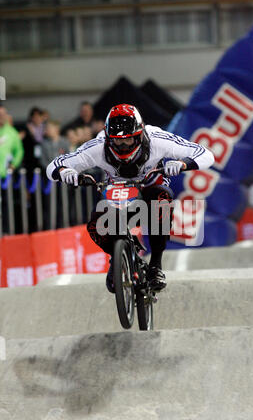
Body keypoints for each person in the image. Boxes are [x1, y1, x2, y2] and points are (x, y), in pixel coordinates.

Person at [46, 104, 215, 292]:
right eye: (117, 142)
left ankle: (156, 265)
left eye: (128, 141)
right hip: (118, 192)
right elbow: (54, 165)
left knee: (162, 199)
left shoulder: (157, 140)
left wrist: (182, 164)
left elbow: (205, 154)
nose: (123, 146)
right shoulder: (97, 147)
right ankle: (117, 260)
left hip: (151, 188)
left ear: (140, 134)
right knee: (96, 225)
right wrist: (67, 172)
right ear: (108, 139)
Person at [0, 104, 24, 178]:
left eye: (4, 114)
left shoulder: (12, 132)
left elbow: (19, 151)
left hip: (5, 175)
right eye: (0, 114)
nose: (2, 116)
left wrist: (13, 165)